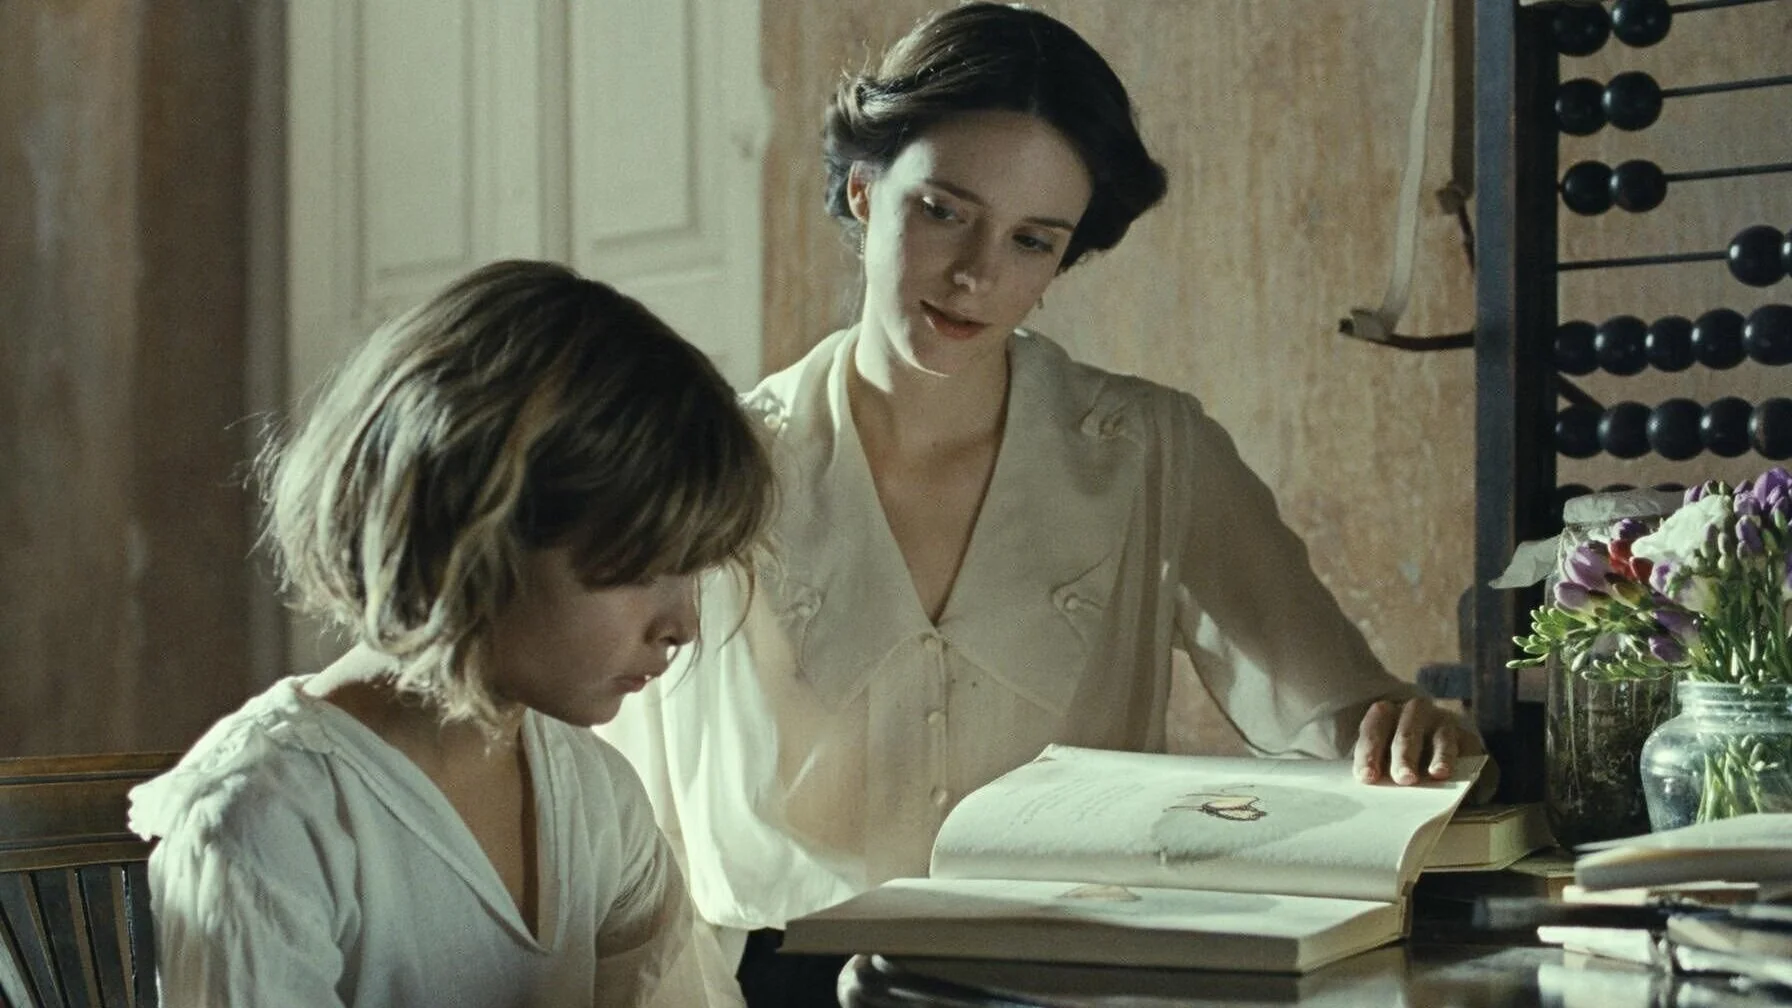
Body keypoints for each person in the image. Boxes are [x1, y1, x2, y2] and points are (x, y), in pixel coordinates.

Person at [602, 5, 1487, 1004]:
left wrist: (1401, 733)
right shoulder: (721, 460)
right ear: (862, 189)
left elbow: (1334, 708)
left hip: (1065, 983)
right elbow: (624, 803)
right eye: (943, 211)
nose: (977, 273)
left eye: (1032, 240)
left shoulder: (1154, 452)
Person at [127, 260, 773, 1007]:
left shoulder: (598, 799)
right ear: (472, 533)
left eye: (694, 573)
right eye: (643, 567)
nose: (682, 626)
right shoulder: (268, 820)